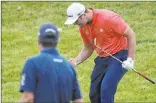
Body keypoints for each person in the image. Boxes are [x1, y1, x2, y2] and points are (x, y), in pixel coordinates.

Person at [64, 2, 136, 103]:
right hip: (103, 58)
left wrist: (130, 59)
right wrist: (76, 61)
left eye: (76, 21)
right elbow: (88, 47)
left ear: (83, 15)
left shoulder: (108, 18)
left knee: (106, 88)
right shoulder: (83, 27)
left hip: (120, 55)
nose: (76, 24)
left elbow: (131, 34)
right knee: (94, 93)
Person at [19, 23, 83, 103]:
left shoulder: (32, 63)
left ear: (39, 40)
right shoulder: (68, 67)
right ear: (57, 41)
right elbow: (78, 100)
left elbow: (28, 98)